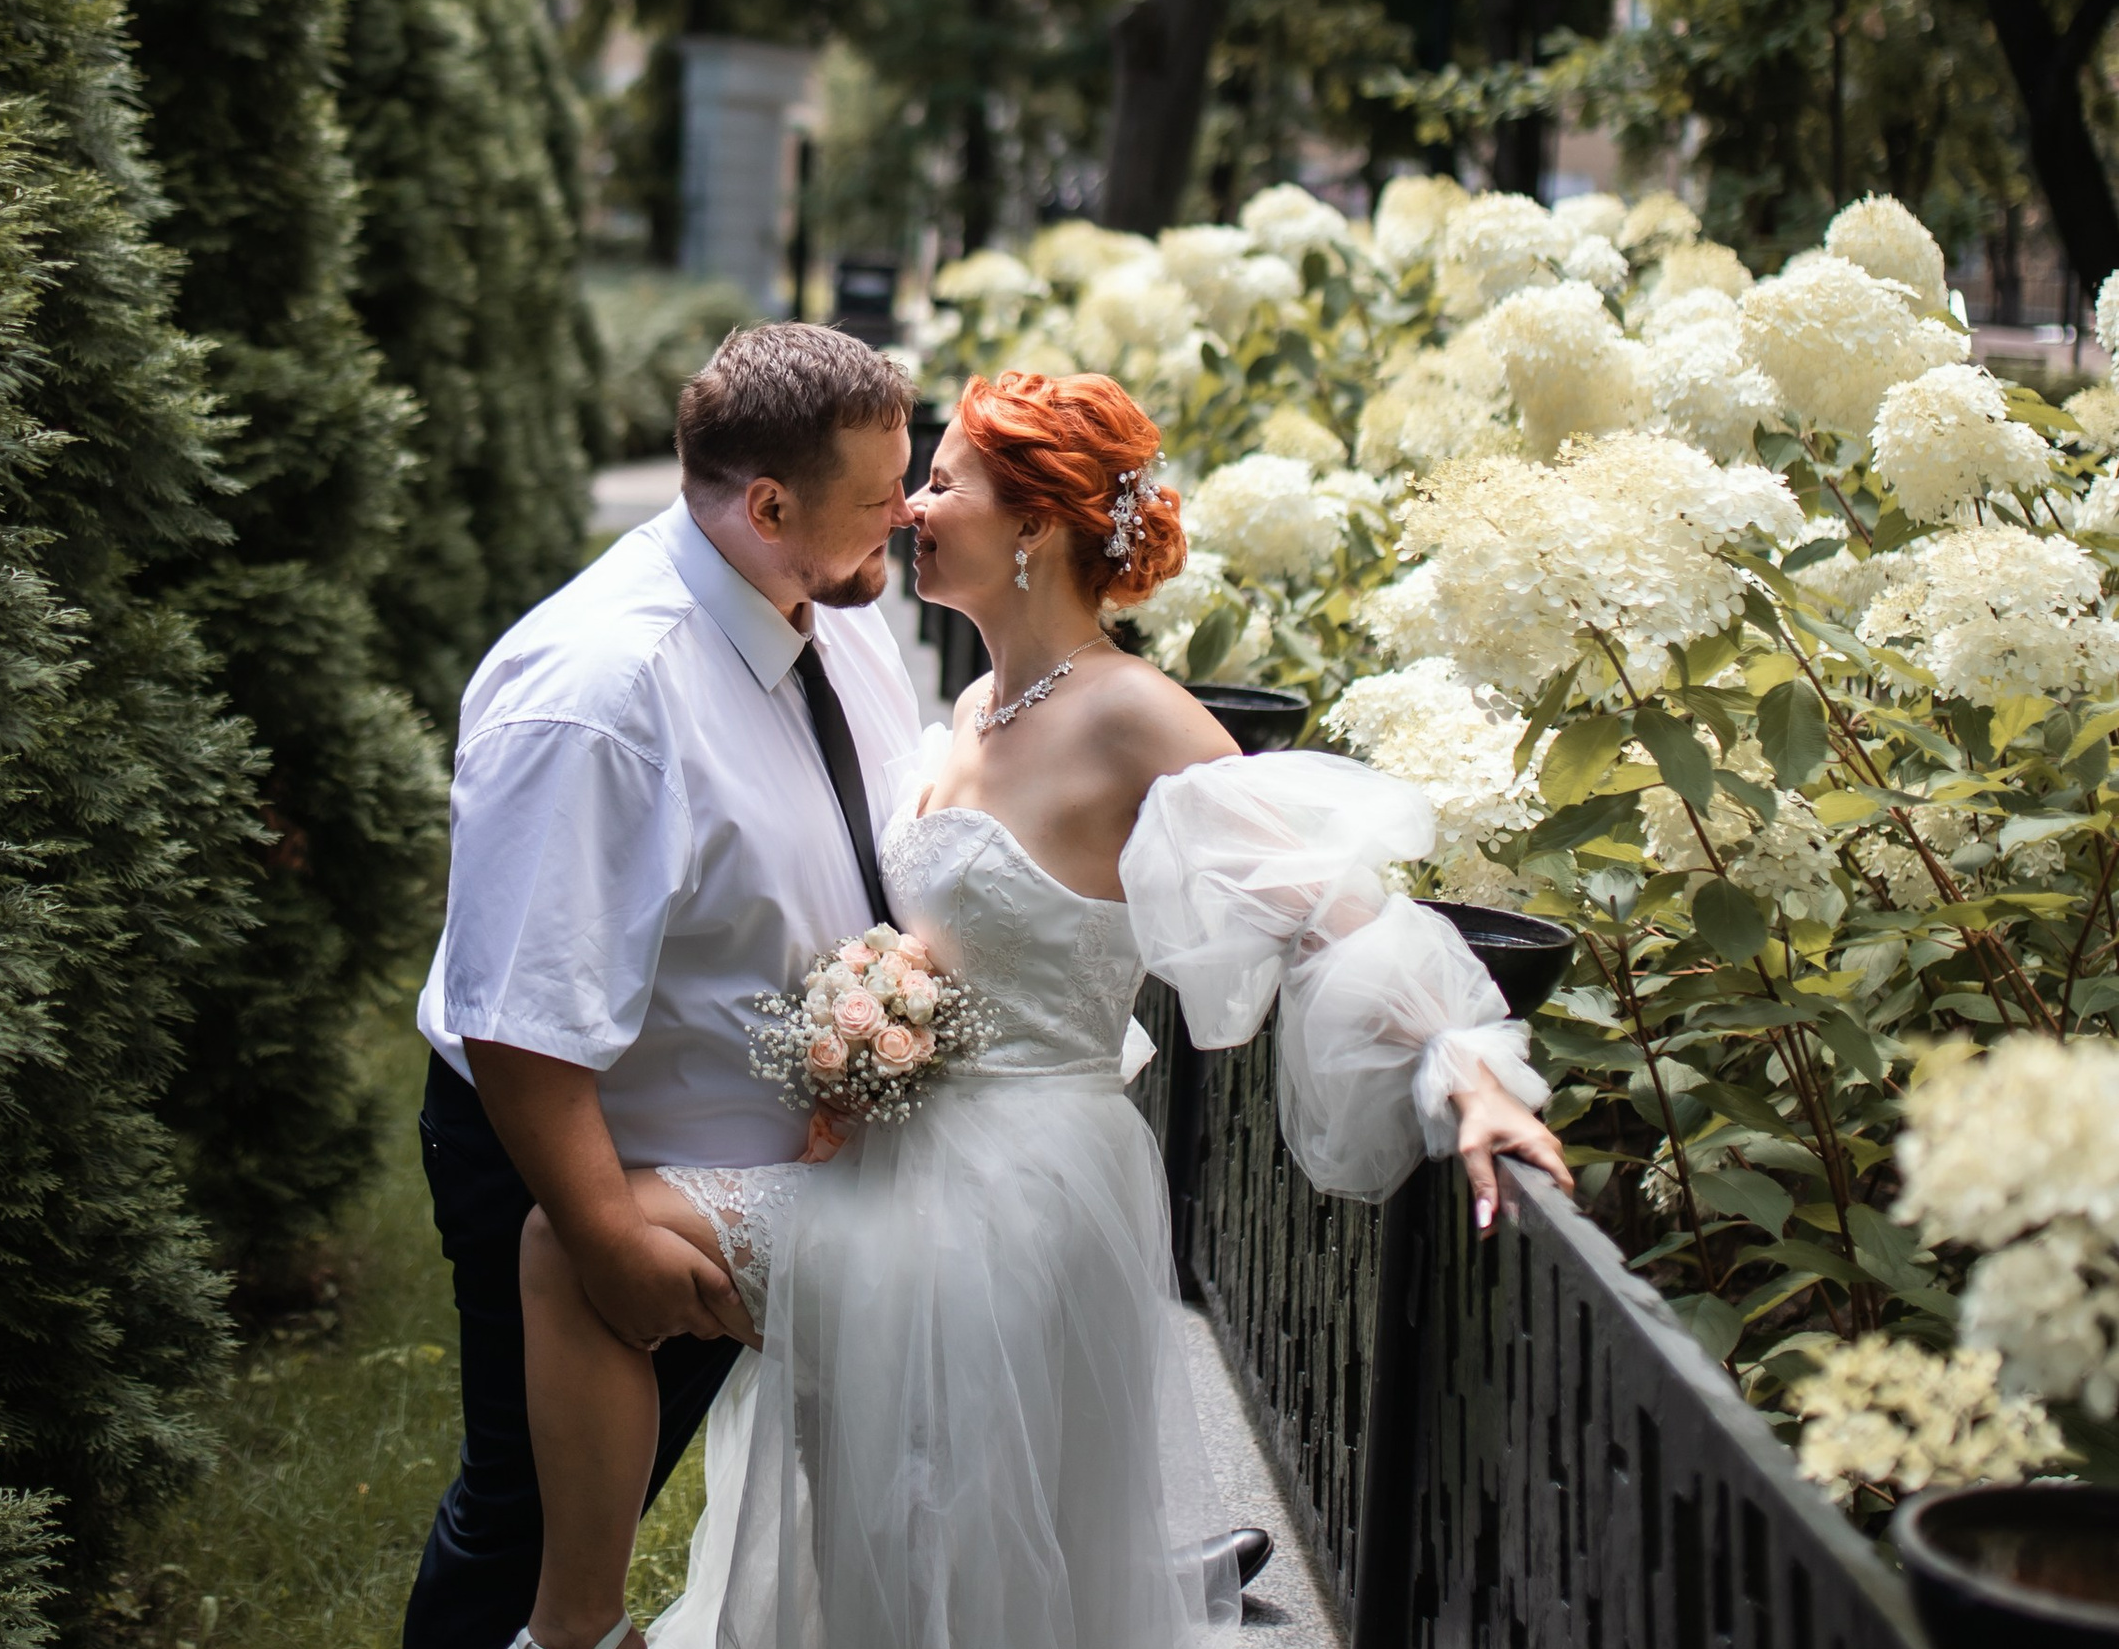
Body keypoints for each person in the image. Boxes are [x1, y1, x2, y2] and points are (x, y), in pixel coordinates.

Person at [511, 369, 1573, 1649]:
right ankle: (576, 1629)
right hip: (890, 1166)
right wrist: (866, 1038)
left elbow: (1329, 909)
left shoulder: (1132, 714)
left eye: (944, 479)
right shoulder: (964, 708)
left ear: (1035, 527)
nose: (911, 508)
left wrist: (1472, 1074)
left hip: (1013, 1193)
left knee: (944, 1544)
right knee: (574, 1246)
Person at [402, 324, 928, 1649]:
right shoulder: (596, 695)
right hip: (588, 1160)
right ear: (767, 507)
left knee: (611, 1505)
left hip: (750, 1169)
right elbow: (519, 1014)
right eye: (880, 499)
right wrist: (599, 1238)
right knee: (532, 1527)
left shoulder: (836, 611)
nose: (905, 517)